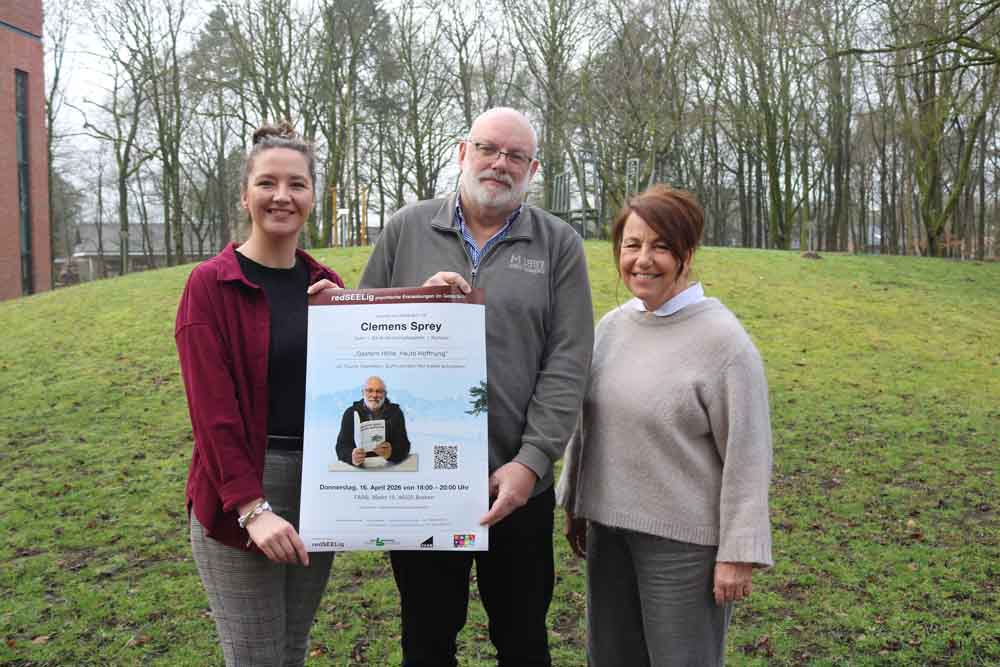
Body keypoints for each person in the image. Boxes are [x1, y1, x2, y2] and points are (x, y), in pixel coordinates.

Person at [358, 107, 594, 667]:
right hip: (421, 485)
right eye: (488, 148)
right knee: (426, 636)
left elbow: (568, 361)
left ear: (532, 169)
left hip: (517, 486)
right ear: (463, 152)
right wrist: (416, 301)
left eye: (515, 156)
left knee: (522, 638)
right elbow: (362, 339)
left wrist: (532, 461)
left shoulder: (559, 244)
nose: (500, 164)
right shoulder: (406, 229)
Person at [557, 184, 773, 667]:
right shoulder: (612, 327)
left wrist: (738, 552)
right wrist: (574, 501)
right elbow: (589, 423)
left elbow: (748, 453)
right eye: (632, 245)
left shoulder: (724, 343)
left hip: (684, 547)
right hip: (608, 536)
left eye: (660, 246)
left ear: (687, 253)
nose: (643, 259)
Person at [175, 121, 345, 666]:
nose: (282, 196)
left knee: (291, 650)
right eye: (267, 183)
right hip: (242, 488)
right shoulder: (211, 286)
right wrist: (252, 507)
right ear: (245, 195)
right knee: (256, 658)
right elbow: (212, 414)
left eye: (297, 184)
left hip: (319, 487)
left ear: (313, 195)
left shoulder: (327, 287)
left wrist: (435, 304)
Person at [336, 376, 411, 466]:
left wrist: (392, 453)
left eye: (379, 391)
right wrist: (351, 456)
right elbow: (341, 447)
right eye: (370, 391)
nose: (374, 395)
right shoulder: (350, 413)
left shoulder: (395, 413)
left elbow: (405, 446)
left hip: (387, 467)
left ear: (385, 394)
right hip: (360, 470)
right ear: (363, 392)